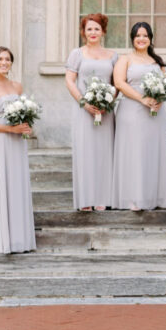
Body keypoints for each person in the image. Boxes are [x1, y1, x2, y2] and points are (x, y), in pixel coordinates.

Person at [0, 46, 36, 254]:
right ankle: (3, 241)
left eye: (8, 59)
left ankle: (20, 240)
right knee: (3, 187)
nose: (4, 62)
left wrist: (27, 126)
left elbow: (26, 112)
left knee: (17, 186)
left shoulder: (17, 86)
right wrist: (9, 128)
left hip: (18, 143)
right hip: (2, 142)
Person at [111, 22, 166, 211]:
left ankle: (155, 197)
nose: (141, 39)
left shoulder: (157, 62)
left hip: (155, 113)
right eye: (138, 35)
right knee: (134, 153)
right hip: (132, 111)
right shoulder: (125, 59)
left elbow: (165, 85)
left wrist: (159, 101)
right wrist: (142, 99)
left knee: (152, 152)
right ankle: (133, 198)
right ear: (132, 38)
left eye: (145, 35)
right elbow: (119, 83)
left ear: (150, 38)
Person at [64, 13, 118, 211]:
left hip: (106, 111)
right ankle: (86, 198)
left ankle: (103, 198)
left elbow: (117, 83)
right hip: (84, 111)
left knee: (105, 152)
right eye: (89, 29)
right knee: (85, 152)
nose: (93, 32)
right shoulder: (77, 54)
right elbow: (70, 80)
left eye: (96, 28)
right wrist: (84, 102)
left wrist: (109, 100)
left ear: (103, 31)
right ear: (83, 32)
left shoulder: (113, 56)